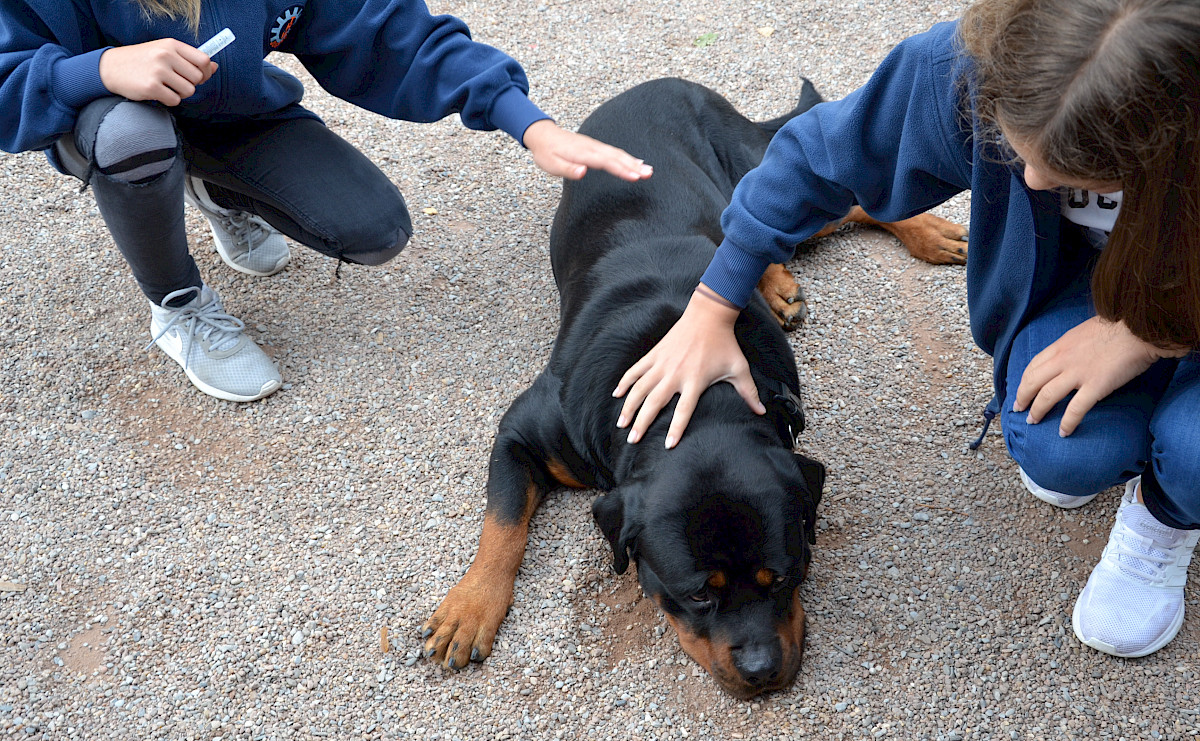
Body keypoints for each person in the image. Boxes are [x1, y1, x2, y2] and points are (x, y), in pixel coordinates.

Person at [612, 0, 1200, 658]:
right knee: (1067, 450)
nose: (1031, 181)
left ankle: (1166, 517)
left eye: (1077, 176)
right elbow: (815, 159)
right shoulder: (979, 65)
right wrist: (713, 303)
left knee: (1193, 447)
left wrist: (1144, 334)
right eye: (1017, 151)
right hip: (1094, 287)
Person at [0, 0, 651, 402]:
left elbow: (395, 32)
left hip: (230, 113)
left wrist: (527, 121)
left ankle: (211, 185)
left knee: (376, 229)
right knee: (134, 138)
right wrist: (99, 69)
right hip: (108, 116)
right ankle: (177, 305)